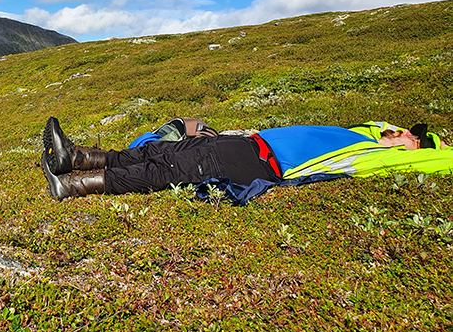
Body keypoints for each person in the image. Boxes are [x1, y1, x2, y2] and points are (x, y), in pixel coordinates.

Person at [40, 117, 452, 203]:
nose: (404, 135)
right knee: (158, 150)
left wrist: (412, 149)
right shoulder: (366, 134)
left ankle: (73, 186)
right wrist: (393, 134)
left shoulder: (373, 158)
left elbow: (438, 160)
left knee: (166, 172)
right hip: (245, 143)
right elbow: (381, 125)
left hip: (259, 166)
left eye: (415, 139)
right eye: (406, 131)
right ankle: (73, 158)